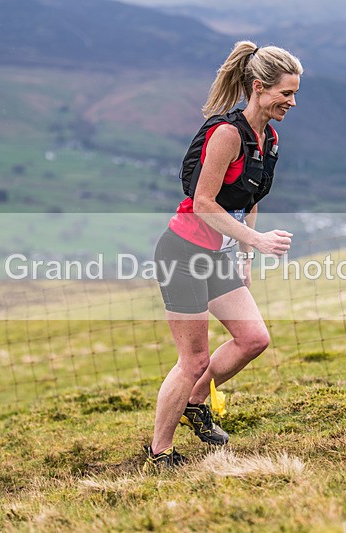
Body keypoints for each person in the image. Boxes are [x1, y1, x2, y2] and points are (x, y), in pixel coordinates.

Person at [144, 40, 303, 471]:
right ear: (258, 88)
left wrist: (244, 257)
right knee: (193, 359)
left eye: (294, 94)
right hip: (183, 253)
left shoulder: (267, 138)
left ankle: (197, 402)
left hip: (219, 256)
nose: (291, 102)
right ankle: (159, 452)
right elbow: (203, 202)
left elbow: (250, 198)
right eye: (285, 93)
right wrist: (256, 242)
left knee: (253, 339)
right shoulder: (227, 134)